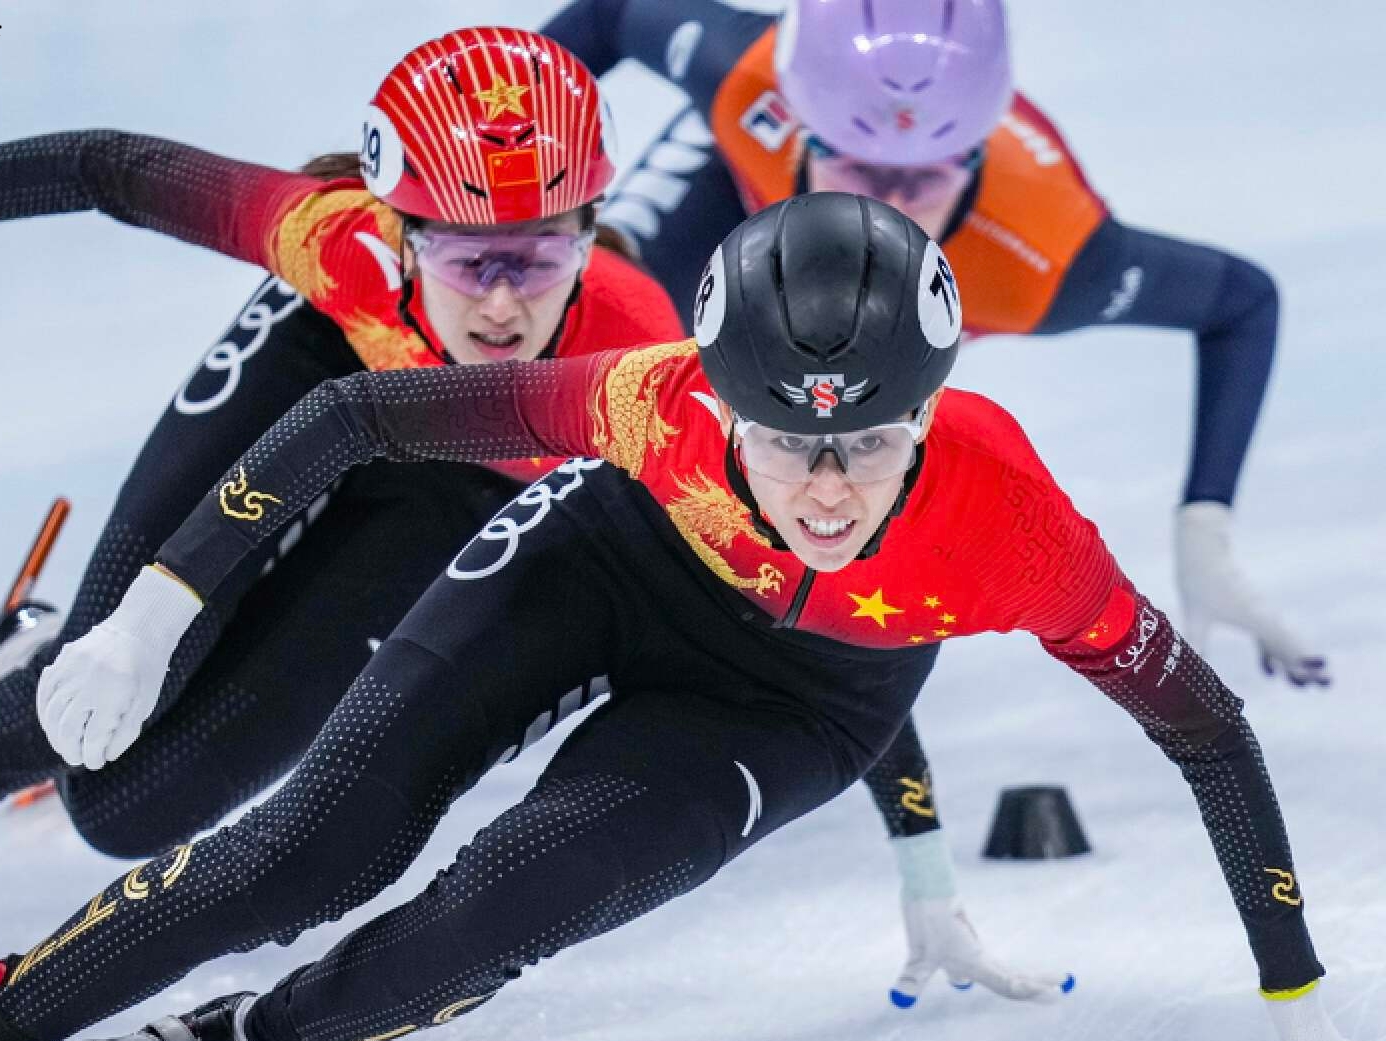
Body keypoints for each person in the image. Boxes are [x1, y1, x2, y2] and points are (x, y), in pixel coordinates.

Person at [0, 197, 1386, 1041]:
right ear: (714, 395)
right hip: (604, 556)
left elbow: (1209, 735)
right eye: (785, 436)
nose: (820, 481)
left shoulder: (1019, 534)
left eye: (866, 440)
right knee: (301, 846)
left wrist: (1295, 1009)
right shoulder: (647, 399)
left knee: (504, 898)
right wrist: (155, 613)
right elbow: (357, 418)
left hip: (788, 702)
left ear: (931, 409)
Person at [0, 29, 1065, 1015]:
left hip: (455, 466)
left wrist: (920, 859)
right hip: (317, 370)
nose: (505, 298)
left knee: (127, 807)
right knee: (66, 691)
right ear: (393, 234)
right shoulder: (324, 241)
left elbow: (833, 595)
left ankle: (75, 668)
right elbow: (103, 162)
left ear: (596, 230)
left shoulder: (643, 376)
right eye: (464, 256)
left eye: (544, 251)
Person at [542, 0, 1325, 689]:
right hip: (737, 179)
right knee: (588, 325)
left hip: (814, 180)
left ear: (977, 155)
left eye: (923, 181)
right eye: (856, 166)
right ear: (801, 122)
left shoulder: (1048, 259)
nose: (885, 205)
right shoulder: (747, 83)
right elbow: (611, 14)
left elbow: (1241, 304)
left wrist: (1204, 530)